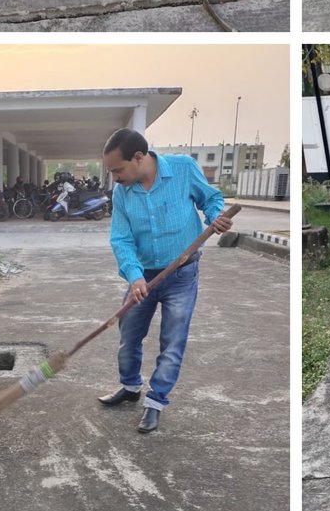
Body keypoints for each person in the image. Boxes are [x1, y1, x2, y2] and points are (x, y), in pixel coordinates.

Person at [98, 127, 231, 434]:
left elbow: (210, 199)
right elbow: (121, 239)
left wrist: (215, 217)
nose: (114, 177)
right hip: (143, 276)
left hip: (181, 274)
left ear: (139, 157)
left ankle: (155, 402)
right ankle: (130, 387)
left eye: (118, 170)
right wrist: (134, 277)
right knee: (128, 334)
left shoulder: (183, 168)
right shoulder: (122, 192)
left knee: (172, 341)